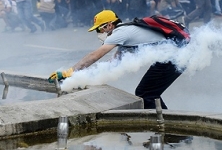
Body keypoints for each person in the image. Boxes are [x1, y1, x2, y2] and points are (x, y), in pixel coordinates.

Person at [48, 10, 184, 109]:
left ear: (109, 25)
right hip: (172, 57)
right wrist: (81, 78)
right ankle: (167, 126)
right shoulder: (126, 34)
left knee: (146, 93)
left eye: (99, 29)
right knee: (148, 92)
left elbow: (94, 56)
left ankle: (170, 130)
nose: (99, 33)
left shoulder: (120, 33)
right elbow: (112, 65)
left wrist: (70, 72)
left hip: (174, 57)